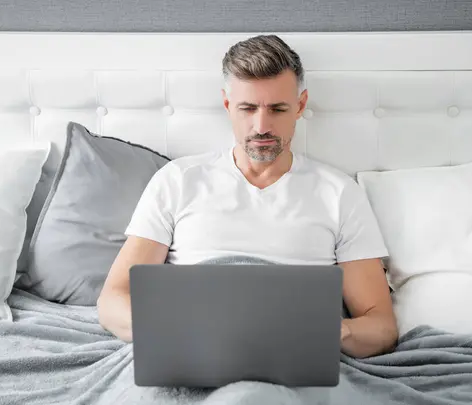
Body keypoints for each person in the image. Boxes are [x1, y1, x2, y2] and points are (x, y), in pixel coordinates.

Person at [97, 34, 398, 359]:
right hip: (191, 348)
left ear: (300, 105)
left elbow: (381, 326)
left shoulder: (339, 193)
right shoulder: (179, 180)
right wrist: (170, 330)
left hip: (292, 354)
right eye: (248, 108)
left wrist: (336, 331)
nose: (262, 126)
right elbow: (113, 300)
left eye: (278, 109)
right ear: (228, 105)